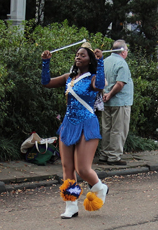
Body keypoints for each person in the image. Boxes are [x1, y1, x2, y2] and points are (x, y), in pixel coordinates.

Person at [41, 42, 108, 219]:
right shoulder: (68, 78)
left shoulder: (93, 77)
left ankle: (100, 187)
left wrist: (101, 63)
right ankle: (71, 205)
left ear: (90, 60)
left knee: (83, 169)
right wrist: (46, 62)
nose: (78, 57)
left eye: (83, 55)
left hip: (87, 123)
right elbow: (46, 82)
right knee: (67, 168)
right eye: (77, 54)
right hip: (68, 124)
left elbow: (100, 85)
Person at [99, 39, 133, 165]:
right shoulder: (122, 63)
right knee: (118, 129)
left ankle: (104, 154)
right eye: (127, 50)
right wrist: (111, 94)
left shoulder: (104, 62)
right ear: (123, 51)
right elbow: (120, 83)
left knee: (107, 128)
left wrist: (105, 94)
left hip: (105, 101)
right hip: (120, 102)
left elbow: (100, 80)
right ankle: (114, 156)